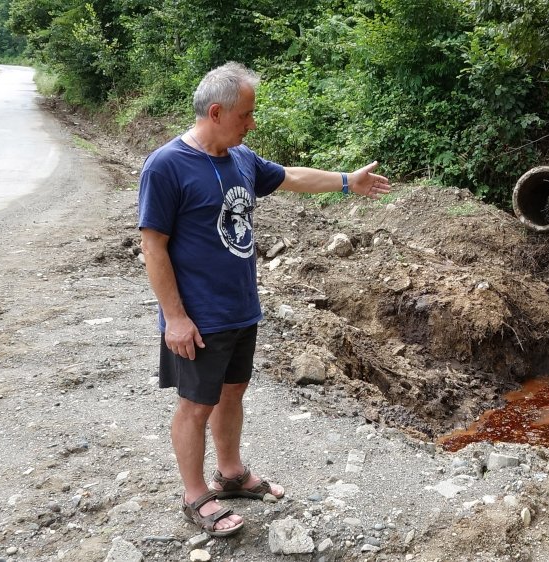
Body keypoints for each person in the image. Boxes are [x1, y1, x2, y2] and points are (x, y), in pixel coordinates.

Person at [138, 61, 391, 537]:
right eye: (245, 115)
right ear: (216, 112)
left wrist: (345, 181)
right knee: (195, 404)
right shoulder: (167, 165)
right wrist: (174, 317)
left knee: (233, 392)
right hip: (198, 316)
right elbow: (153, 246)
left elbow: (291, 177)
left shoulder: (241, 159)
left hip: (241, 309)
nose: (252, 123)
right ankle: (196, 497)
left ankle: (230, 473)